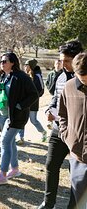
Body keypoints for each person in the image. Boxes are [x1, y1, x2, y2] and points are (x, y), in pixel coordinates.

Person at [37, 40, 83, 209]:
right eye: (62, 60)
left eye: (67, 61)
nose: (63, 64)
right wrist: (49, 110)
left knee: (76, 173)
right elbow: (55, 100)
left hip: (78, 133)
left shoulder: (84, 79)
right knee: (51, 165)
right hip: (58, 129)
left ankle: (75, 204)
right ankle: (48, 203)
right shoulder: (61, 77)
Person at [0, 52, 38, 185]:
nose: (2, 63)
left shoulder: (21, 76)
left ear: (13, 63)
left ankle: (3, 175)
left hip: (16, 117)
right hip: (2, 114)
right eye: (1, 61)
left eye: (5, 61)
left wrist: (19, 106)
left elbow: (34, 94)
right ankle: (15, 169)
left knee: (4, 142)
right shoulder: (2, 75)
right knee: (10, 143)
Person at [59, 52, 87, 209]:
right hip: (77, 158)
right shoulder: (69, 87)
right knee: (80, 204)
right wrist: (66, 135)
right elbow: (62, 114)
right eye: (82, 80)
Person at [16, 59, 47, 145]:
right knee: (22, 120)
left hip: (33, 103)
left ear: (31, 67)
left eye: (27, 65)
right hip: (24, 103)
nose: (25, 67)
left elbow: (41, 90)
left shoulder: (37, 76)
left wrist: (33, 98)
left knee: (33, 120)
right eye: (25, 65)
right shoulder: (24, 75)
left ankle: (43, 132)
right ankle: (21, 138)